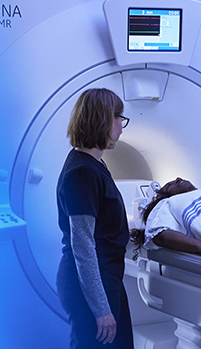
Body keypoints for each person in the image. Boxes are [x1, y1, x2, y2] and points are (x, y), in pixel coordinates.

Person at [56, 88, 133, 348]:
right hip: (90, 285)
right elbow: (83, 246)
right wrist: (101, 309)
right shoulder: (82, 172)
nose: (121, 127)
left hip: (106, 278)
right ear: (102, 119)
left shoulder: (94, 164)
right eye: (118, 118)